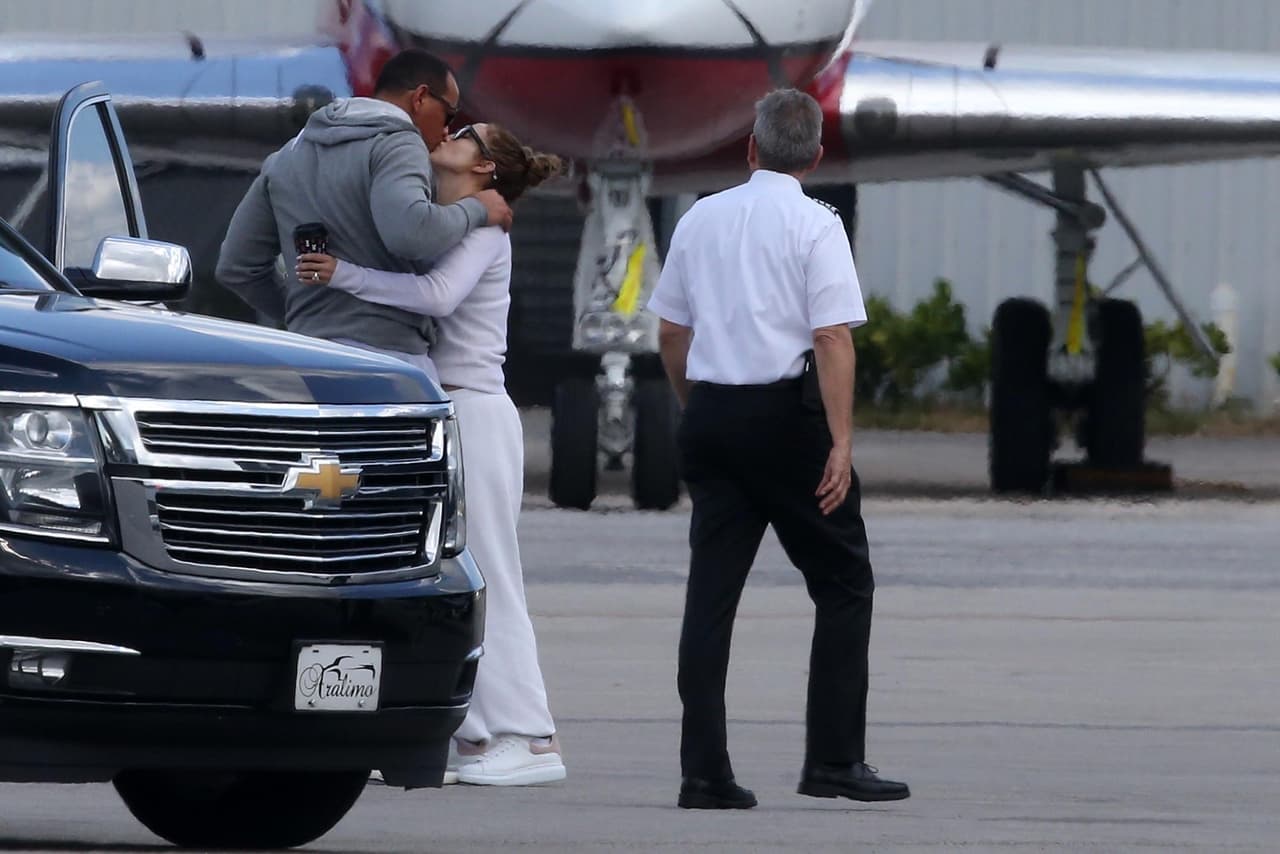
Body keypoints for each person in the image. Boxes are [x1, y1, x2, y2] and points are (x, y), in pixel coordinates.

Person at [645, 88, 911, 810]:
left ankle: (704, 773)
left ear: (751, 148)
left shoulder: (700, 217)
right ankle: (833, 759)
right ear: (816, 156)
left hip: (713, 414)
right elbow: (831, 336)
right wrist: (841, 441)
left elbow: (670, 332)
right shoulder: (817, 225)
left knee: (711, 597)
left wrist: (698, 408)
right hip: (788, 423)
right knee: (844, 582)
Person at [294, 122, 567, 787]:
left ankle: (531, 737)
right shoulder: (447, 225)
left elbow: (438, 297)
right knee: (450, 575)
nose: (450, 132)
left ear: (484, 169)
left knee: (492, 573)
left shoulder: (485, 229)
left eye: (466, 134)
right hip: (447, 412)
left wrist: (344, 275)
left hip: (477, 411)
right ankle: (470, 737)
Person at [215, 48, 512, 382]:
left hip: (307, 360)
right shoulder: (400, 143)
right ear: (420, 98)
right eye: (449, 116)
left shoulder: (286, 157)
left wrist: (307, 313)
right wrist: (476, 209)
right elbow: (411, 234)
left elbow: (236, 266)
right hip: (388, 363)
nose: (447, 132)